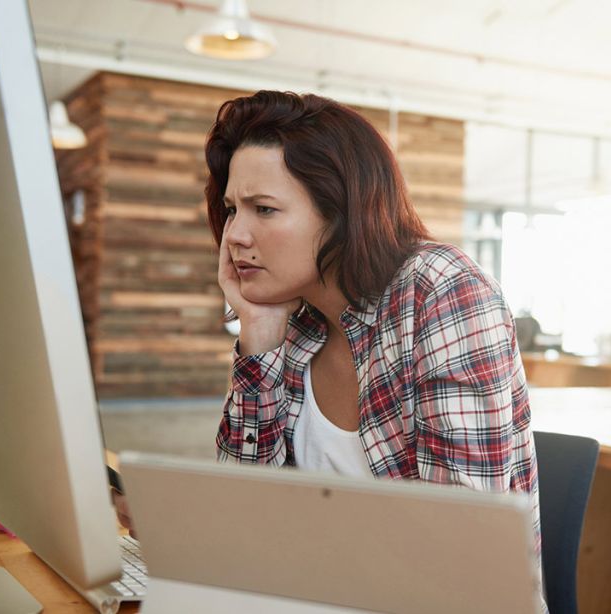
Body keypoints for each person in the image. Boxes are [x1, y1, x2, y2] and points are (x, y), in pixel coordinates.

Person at [122, 89, 544, 609]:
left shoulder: (441, 288)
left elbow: (462, 549)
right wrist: (259, 330)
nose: (235, 234)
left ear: (342, 213)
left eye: (265, 209)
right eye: (232, 209)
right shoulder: (299, 320)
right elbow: (245, 510)